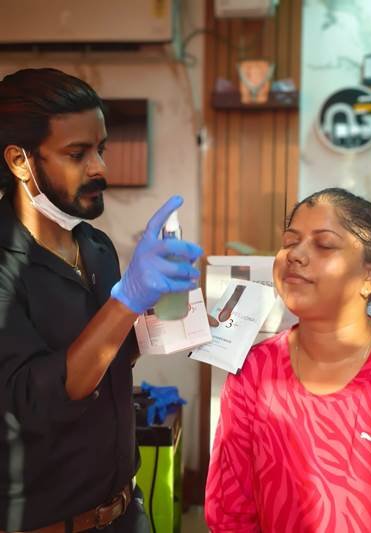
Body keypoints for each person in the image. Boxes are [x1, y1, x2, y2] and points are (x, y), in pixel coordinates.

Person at [0, 68, 202, 533]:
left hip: (125, 511)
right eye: (78, 154)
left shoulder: (95, 246)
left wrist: (163, 313)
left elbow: (109, 359)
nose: (100, 169)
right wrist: (126, 300)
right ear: (19, 162)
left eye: (101, 149)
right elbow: (35, 398)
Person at [205, 187, 371, 532]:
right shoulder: (253, 374)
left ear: (370, 275)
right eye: (290, 241)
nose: (295, 254)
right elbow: (230, 513)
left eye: (324, 245)